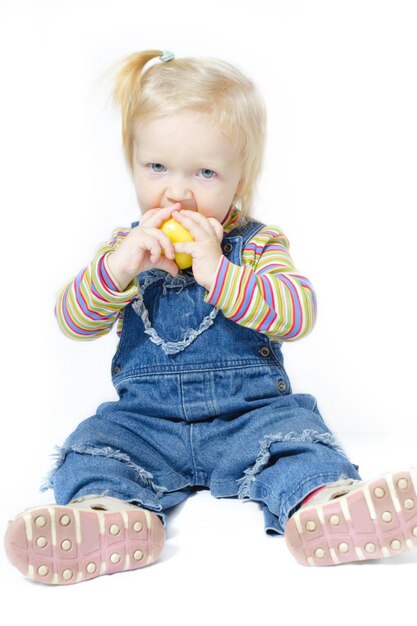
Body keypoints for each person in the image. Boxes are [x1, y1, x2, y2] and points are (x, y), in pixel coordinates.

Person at [5, 49, 417, 585]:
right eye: (156, 167)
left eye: (204, 172)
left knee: (298, 439)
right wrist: (119, 267)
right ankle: (109, 517)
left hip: (250, 417)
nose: (177, 192)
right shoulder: (124, 249)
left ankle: (325, 506)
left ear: (239, 181)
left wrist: (218, 272)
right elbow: (72, 319)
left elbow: (298, 313)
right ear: (132, 162)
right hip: (148, 425)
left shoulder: (255, 244)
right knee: (95, 445)